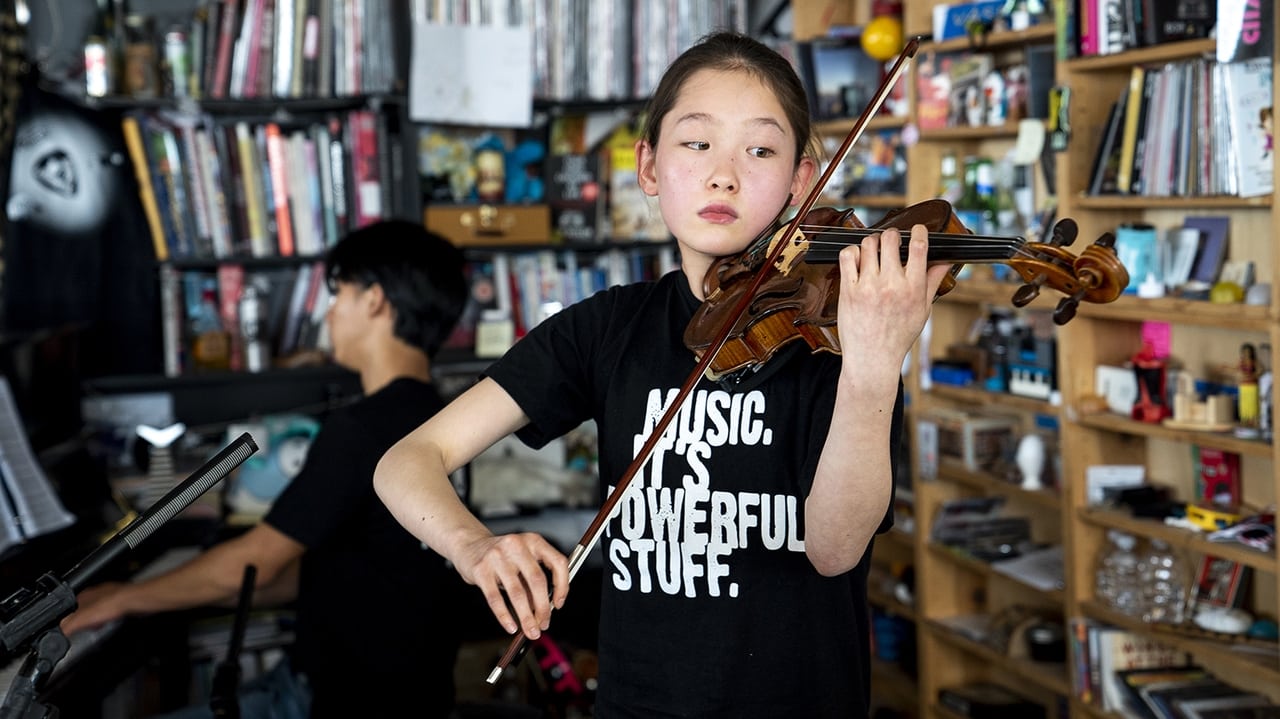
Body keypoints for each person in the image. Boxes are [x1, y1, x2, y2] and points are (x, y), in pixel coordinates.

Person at [374, 32, 950, 718]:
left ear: (802, 181)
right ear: (648, 165)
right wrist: (475, 547)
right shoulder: (607, 328)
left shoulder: (838, 337)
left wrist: (877, 363)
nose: (724, 174)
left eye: (761, 150)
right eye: (696, 142)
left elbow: (834, 548)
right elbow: (407, 460)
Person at [62, 220, 471, 719]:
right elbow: (341, 572)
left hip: (336, 700)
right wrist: (177, 586)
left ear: (374, 301)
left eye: (338, 294)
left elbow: (256, 561)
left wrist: (118, 600)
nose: (330, 313)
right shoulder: (444, 423)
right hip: (404, 693)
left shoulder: (361, 428)